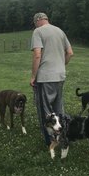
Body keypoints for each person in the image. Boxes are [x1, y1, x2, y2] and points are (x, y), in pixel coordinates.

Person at [30, 12, 74, 145]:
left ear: (38, 20)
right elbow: (70, 53)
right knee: (59, 108)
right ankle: (63, 136)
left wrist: (33, 76)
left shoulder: (38, 32)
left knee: (46, 110)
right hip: (60, 76)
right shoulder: (60, 31)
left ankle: (50, 141)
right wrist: (62, 64)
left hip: (45, 77)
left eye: (34, 23)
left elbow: (37, 55)